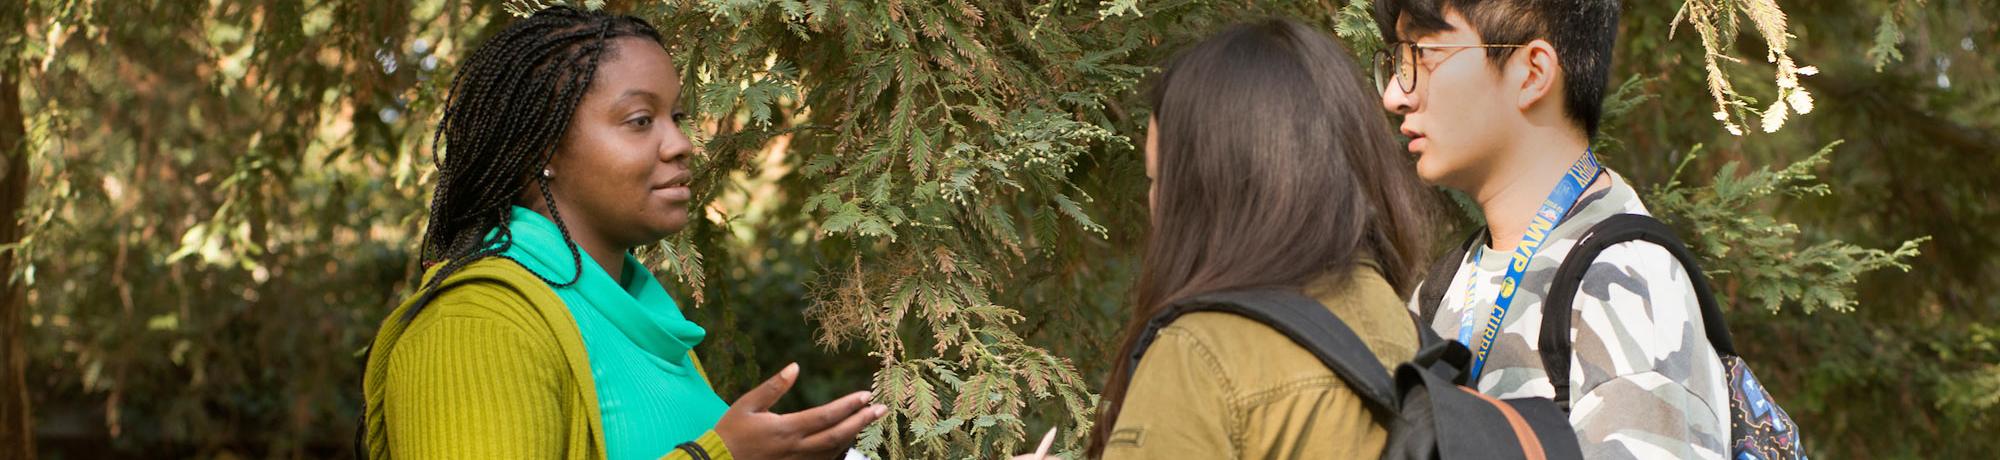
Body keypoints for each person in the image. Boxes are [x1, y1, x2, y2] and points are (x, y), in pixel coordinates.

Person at [358, 7, 884, 460]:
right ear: (542, 146)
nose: (681, 143)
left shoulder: (642, 321)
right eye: (639, 120)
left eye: (676, 116)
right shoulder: (475, 323)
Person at [1372, 0, 1729, 458]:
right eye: (1398, 61)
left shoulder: (1623, 281)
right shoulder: (1443, 290)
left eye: (1423, 55)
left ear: (1533, 72)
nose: (1395, 96)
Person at [1082, 19, 1436, 459]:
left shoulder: (1201, 356)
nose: (1154, 206)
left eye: (1158, 181)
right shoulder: (1412, 335)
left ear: (1209, 189)